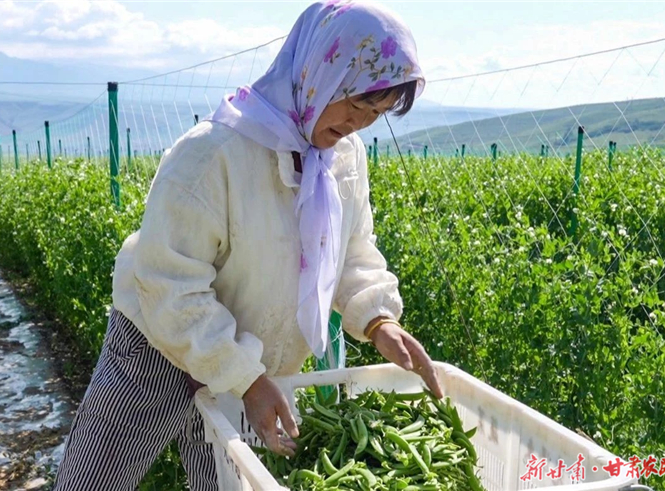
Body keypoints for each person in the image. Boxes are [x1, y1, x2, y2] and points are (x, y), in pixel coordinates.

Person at [52, 1, 442, 489]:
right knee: (94, 480)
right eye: (356, 101)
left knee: (226, 483)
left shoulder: (342, 158)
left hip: (255, 362)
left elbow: (352, 252)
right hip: (157, 346)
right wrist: (247, 379)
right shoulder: (215, 152)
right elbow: (168, 284)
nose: (360, 122)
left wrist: (378, 320)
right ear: (318, 70)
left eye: (377, 112)